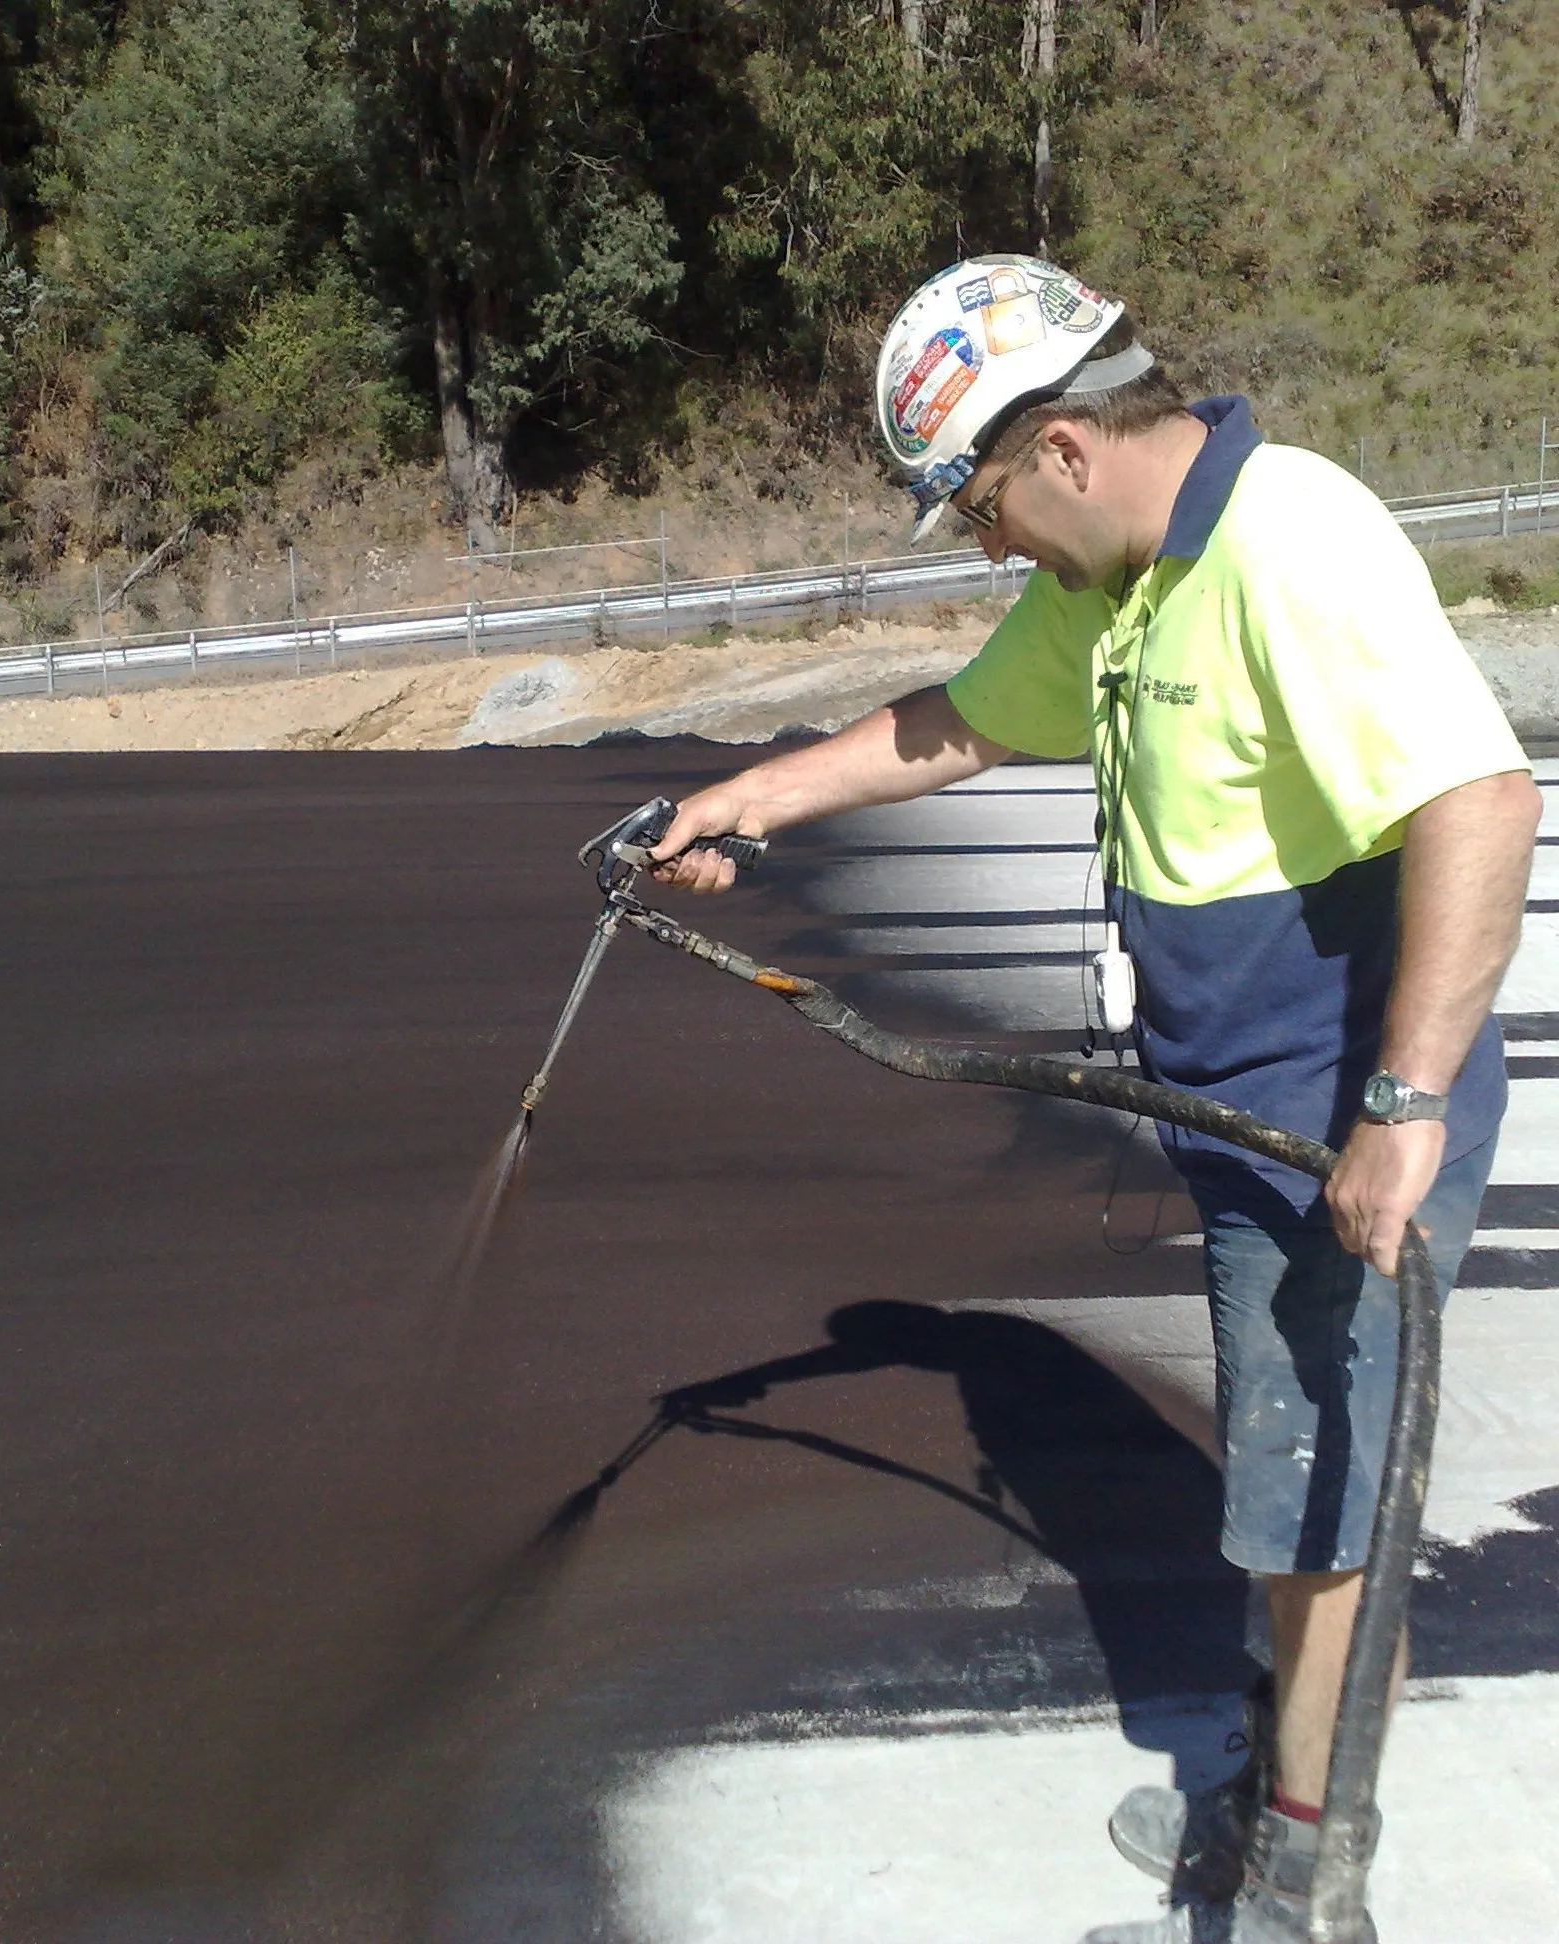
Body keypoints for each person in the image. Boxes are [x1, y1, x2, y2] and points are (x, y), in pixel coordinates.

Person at [648, 254, 1541, 1944]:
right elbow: (959, 726)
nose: (988, 543)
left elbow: (1480, 802)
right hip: (1247, 1113)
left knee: (1329, 1514)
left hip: (1336, 1117)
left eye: (982, 503)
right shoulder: (1121, 583)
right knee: (1288, 1499)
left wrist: (1405, 1103)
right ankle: (1274, 1794)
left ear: (1062, 445)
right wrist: (751, 797)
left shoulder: (1290, 540)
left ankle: (1304, 1882)